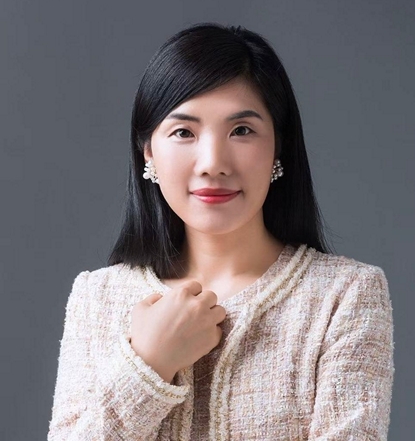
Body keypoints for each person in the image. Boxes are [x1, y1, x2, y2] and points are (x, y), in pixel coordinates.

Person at [48, 22, 395, 440]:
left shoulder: (343, 296)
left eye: (241, 130)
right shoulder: (97, 298)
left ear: (278, 146)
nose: (213, 162)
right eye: (183, 132)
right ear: (148, 151)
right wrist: (149, 364)